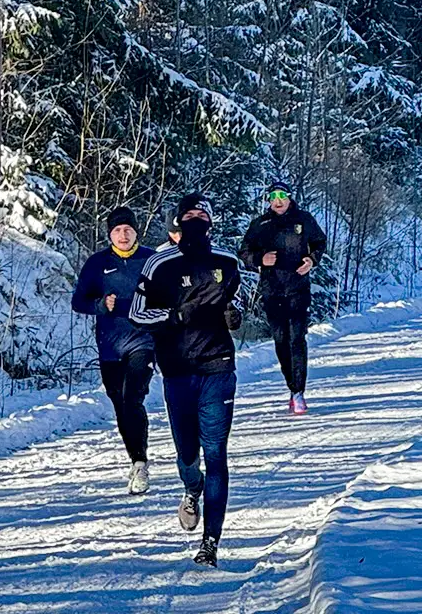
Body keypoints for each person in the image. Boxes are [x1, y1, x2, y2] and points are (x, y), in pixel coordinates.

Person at [129, 193, 241, 568]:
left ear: (210, 222)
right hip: (177, 368)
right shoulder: (160, 263)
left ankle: (210, 543)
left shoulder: (227, 261)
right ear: (177, 223)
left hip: (218, 365)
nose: (195, 220)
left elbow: (234, 304)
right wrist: (177, 314)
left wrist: (231, 315)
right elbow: (137, 314)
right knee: (188, 454)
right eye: (188, 215)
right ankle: (191, 487)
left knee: (216, 454)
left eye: (202, 214)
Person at [72, 206, 157, 494]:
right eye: (118, 230)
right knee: (120, 403)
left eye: (128, 230)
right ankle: (135, 457)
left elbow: (168, 295)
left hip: (142, 341)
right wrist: (100, 305)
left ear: (136, 232)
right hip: (110, 345)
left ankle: (140, 463)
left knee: (133, 397)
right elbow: (78, 301)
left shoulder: (149, 259)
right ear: (110, 234)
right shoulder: (98, 263)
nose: (123, 235)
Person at [239, 180, 326, 415]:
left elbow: (319, 242)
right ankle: (291, 385)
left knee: (297, 338)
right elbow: (244, 252)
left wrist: (312, 260)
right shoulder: (261, 224)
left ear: (289, 198)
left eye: (282, 197)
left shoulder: (303, 219)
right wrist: (259, 260)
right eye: (273, 197)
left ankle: (299, 391)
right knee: (281, 340)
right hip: (272, 288)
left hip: (298, 287)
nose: (278, 202)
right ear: (268, 201)